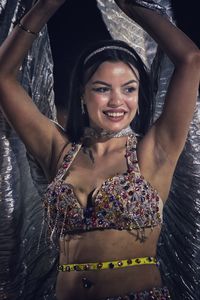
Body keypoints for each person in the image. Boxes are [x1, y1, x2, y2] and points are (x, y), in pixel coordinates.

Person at [0, 0, 199, 299]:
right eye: (102, 88)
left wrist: (131, 7)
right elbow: (2, 77)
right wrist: (45, 7)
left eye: (128, 89)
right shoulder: (59, 152)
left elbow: (190, 59)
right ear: (83, 94)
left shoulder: (153, 152)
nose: (117, 101)